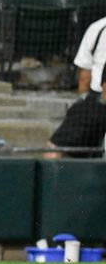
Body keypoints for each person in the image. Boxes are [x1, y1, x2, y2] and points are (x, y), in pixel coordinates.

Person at [46, 15, 106, 158]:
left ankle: (53, 179)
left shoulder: (98, 27)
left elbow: (84, 76)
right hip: (96, 103)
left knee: (54, 148)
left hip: (95, 104)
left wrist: (83, 100)